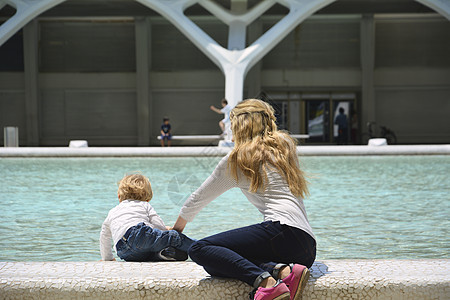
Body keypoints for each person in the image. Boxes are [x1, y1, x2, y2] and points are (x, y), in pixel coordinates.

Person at [172, 99, 316, 300]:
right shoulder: (285, 148)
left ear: (239, 125)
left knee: (201, 250)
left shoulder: (237, 160)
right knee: (226, 261)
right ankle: (283, 271)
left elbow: (199, 198)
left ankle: (266, 283)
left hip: (280, 231)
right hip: (306, 247)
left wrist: (175, 230)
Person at [100, 173, 194, 262]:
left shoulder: (112, 212)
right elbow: (157, 224)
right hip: (138, 235)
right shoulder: (143, 204)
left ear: (119, 197)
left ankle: (164, 254)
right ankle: (201, 247)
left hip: (123, 251)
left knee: (147, 255)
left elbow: (104, 235)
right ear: (148, 199)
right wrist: (166, 230)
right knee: (174, 237)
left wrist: (107, 258)